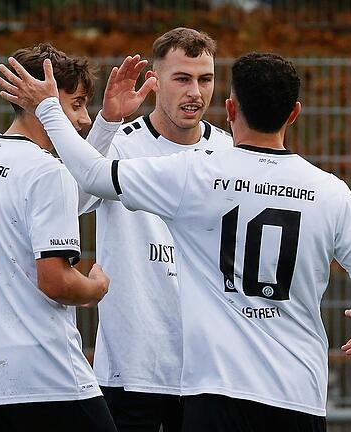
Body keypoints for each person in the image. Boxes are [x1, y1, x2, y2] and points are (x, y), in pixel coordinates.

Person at [0, 51, 351, 432]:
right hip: (299, 396)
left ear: (232, 109)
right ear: (294, 113)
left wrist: (49, 108)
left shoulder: (200, 174)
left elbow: (92, 175)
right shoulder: (329, 191)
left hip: (217, 395)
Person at [0, 43, 116, 432]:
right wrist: (95, 288)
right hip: (49, 377)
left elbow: (79, 195)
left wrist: (109, 122)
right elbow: (55, 281)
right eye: (75, 105)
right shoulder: (45, 171)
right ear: (44, 100)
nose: (84, 119)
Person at [79, 27, 232, 432]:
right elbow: (72, 203)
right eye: (182, 79)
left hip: (208, 372)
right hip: (132, 370)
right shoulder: (121, 144)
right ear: (156, 81)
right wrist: (107, 121)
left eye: (205, 79)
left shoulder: (231, 152)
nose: (195, 92)